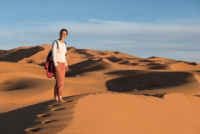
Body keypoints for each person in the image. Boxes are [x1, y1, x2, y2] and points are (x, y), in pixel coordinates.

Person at [51, 29, 69, 102]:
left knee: (59, 82)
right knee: (61, 82)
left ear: (66, 36)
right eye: (61, 34)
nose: (63, 35)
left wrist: (66, 65)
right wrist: (55, 65)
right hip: (57, 63)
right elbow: (53, 54)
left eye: (64, 34)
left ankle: (56, 97)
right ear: (59, 34)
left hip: (63, 64)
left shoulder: (64, 44)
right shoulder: (56, 42)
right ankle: (60, 97)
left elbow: (63, 55)